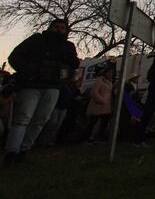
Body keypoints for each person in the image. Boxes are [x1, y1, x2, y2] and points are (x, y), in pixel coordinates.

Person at [4, 18, 79, 165]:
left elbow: (74, 64)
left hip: (53, 87)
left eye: (62, 28)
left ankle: (24, 150)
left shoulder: (67, 46)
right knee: (23, 118)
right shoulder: (37, 40)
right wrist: (28, 71)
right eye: (55, 26)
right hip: (31, 85)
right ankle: (11, 151)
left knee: (41, 120)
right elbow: (15, 56)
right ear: (50, 27)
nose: (58, 29)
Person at [38, 78, 80, 147]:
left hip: (64, 108)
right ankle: (43, 140)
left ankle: (50, 140)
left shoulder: (72, 88)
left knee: (57, 125)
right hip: (56, 107)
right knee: (51, 124)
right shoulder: (61, 86)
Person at [84, 66, 114, 144]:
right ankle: (88, 138)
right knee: (93, 122)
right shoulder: (99, 81)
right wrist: (101, 100)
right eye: (109, 72)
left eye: (111, 73)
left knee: (104, 122)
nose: (111, 74)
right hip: (97, 105)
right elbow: (94, 93)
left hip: (106, 106)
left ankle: (99, 137)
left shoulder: (110, 82)